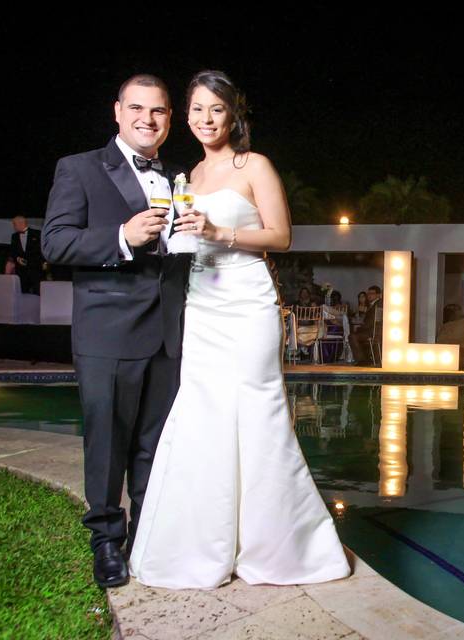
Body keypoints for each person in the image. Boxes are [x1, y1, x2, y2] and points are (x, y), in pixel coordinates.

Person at [129, 70, 350, 589]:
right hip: (202, 307)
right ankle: (202, 546)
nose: (207, 120)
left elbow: (283, 236)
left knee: (259, 415)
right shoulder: (187, 179)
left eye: (217, 110)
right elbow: (187, 243)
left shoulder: (255, 166)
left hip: (248, 305)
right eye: (198, 110)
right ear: (187, 117)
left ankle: (282, 550)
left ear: (233, 116)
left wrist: (220, 231)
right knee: (202, 418)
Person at [42, 74, 189, 589]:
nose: (148, 119)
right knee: (107, 443)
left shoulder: (180, 178)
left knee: (154, 444)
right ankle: (106, 539)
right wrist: (121, 237)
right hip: (108, 333)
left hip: (168, 334)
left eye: (159, 111)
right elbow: (55, 243)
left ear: (169, 120)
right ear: (118, 111)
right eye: (138, 108)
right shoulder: (79, 168)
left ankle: (147, 534)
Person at [7, 215, 47, 293]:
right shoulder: (14, 236)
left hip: (36, 269)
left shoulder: (37, 233)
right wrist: (18, 258)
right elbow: (12, 251)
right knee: (22, 292)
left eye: (14, 224)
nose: (14, 227)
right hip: (21, 271)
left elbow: (44, 249)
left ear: (20, 224)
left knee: (38, 292)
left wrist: (45, 262)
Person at [350, 285, 382, 365]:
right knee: (355, 334)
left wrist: (360, 328)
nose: (369, 295)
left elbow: (372, 321)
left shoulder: (378, 305)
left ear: (378, 295)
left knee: (352, 336)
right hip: (371, 330)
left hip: (373, 332)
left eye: (372, 293)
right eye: (368, 293)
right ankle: (366, 358)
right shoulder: (372, 305)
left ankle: (362, 360)